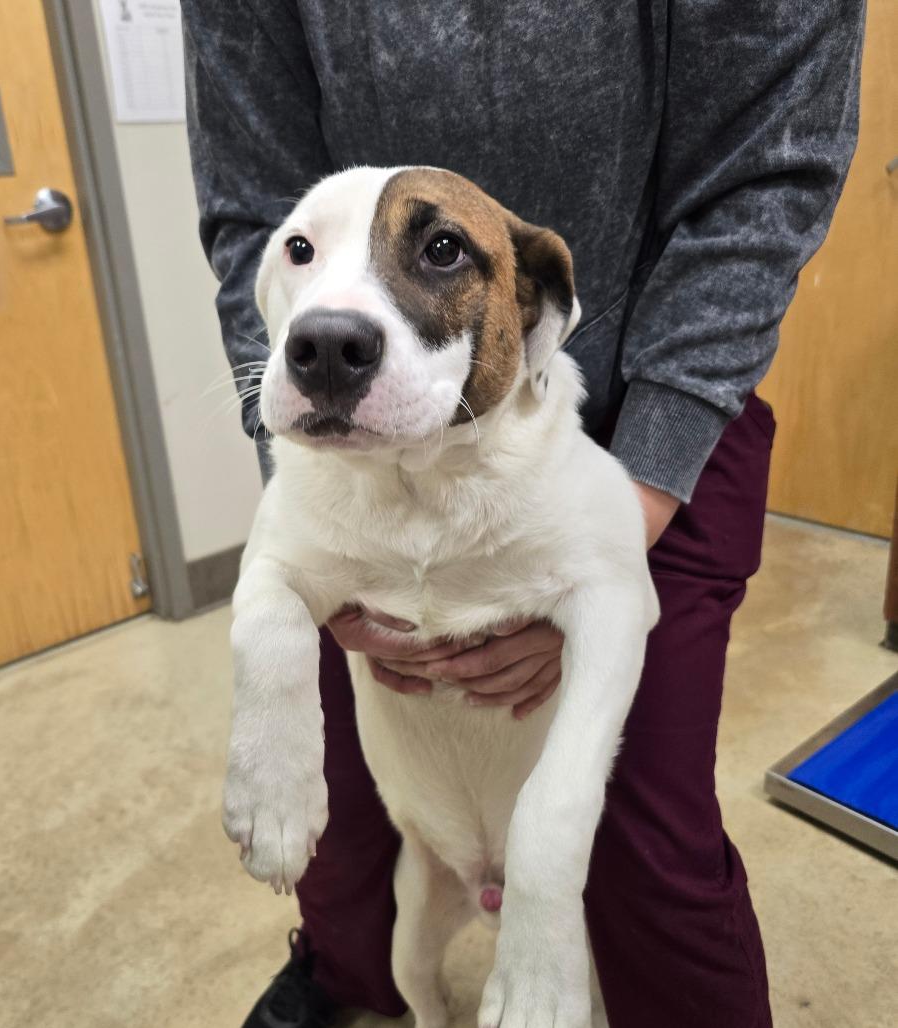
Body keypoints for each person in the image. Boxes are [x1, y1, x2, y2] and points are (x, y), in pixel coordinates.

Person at [181, 3, 865, 1026]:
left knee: (644, 839)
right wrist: (291, 460)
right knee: (340, 816)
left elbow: (764, 178)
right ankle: (346, 976)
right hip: (352, 458)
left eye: (442, 252)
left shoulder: (542, 332)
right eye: (308, 257)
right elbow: (249, 203)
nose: (334, 312)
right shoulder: (314, 331)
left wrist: (611, 531)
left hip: (638, 401)